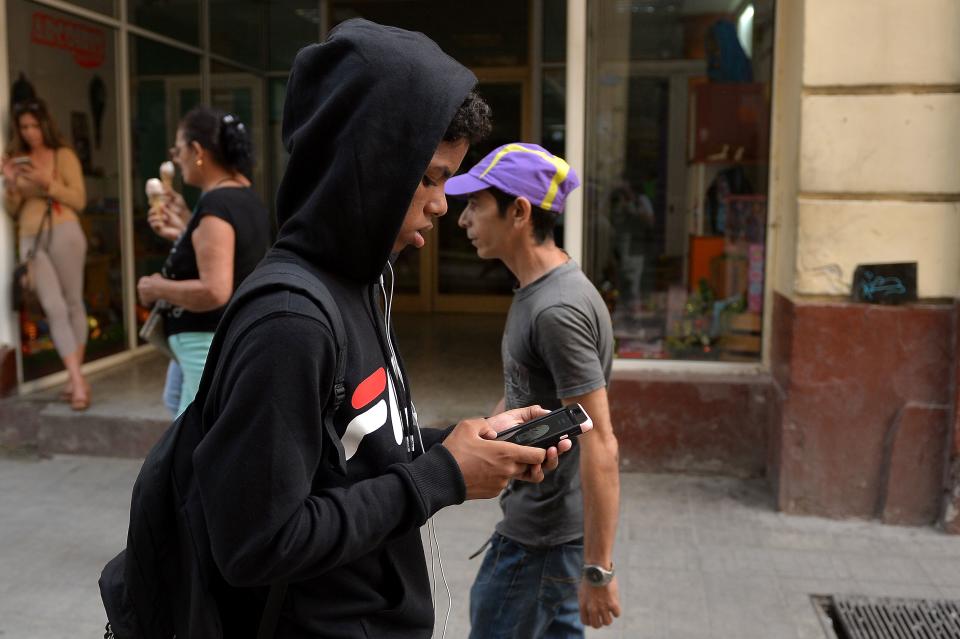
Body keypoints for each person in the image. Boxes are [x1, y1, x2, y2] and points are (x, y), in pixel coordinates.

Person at [177, 20, 580, 638]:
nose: (443, 205)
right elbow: (257, 544)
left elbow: (353, 446)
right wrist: (443, 476)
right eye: (427, 178)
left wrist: (466, 444)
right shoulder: (289, 323)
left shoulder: (362, 282)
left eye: (449, 179)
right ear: (360, 167)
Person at [448, 142, 622, 637]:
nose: (463, 220)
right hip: (546, 534)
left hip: (539, 542)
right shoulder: (538, 290)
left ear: (519, 211)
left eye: (476, 205)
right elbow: (530, 395)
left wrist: (598, 571)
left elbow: (601, 441)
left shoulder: (556, 310)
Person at [136, 107, 270, 417]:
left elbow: (214, 290)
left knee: (193, 431)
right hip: (213, 336)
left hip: (205, 338)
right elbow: (224, 258)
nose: (176, 157)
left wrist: (157, 287)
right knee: (178, 408)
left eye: (178, 148)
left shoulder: (217, 204)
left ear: (197, 151)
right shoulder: (244, 195)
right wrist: (184, 227)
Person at [2, 99, 90, 410]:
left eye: (34, 126)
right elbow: (12, 210)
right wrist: (11, 183)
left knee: (72, 302)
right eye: (24, 127)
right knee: (52, 306)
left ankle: (73, 378)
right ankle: (78, 380)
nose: (29, 133)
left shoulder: (62, 155)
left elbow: (79, 199)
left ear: (44, 125)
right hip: (30, 236)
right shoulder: (16, 158)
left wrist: (46, 183)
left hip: (64, 229)